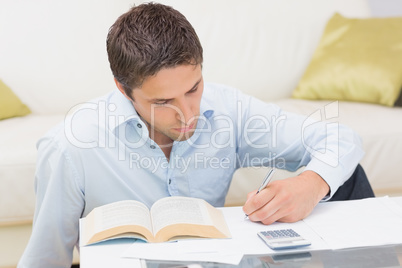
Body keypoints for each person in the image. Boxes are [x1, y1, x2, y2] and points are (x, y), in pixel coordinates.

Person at [18, 3, 374, 267]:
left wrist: (311, 184)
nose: (188, 115)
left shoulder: (228, 108)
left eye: (193, 88)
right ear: (123, 90)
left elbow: (340, 138)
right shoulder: (70, 146)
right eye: (162, 101)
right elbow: (47, 257)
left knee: (343, 178)